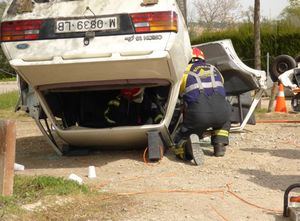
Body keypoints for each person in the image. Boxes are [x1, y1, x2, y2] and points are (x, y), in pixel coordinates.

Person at [174, 48, 232, 165]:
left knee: (179, 139)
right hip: (223, 112)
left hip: (199, 115)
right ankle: (219, 145)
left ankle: (186, 147)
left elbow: (177, 95)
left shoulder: (184, 71)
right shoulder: (214, 69)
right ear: (202, 58)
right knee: (223, 120)